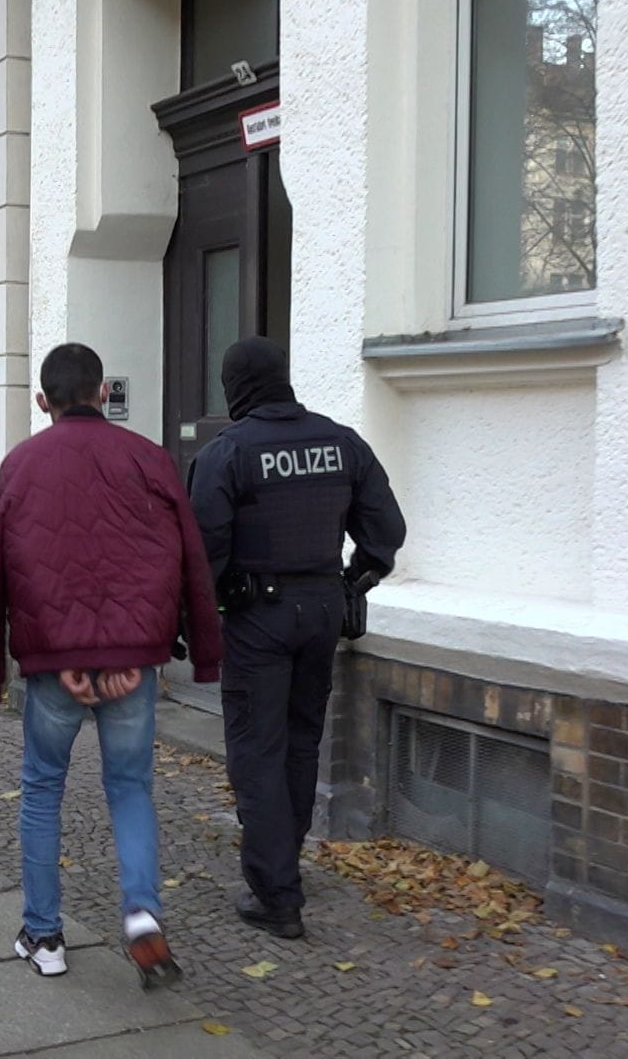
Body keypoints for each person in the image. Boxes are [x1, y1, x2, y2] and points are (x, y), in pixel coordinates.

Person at [0, 342, 223, 989]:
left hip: (54, 663)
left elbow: (2, 568)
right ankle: (141, 914)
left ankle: (44, 935)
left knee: (42, 788)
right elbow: (179, 557)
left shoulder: (21, 465)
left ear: (42, 400)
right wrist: (173, 647)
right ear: (102, 390)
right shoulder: (148, 458)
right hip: (131, 665)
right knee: (131, 787)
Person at [187, 335, 406, 940]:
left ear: (235, 387)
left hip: (257, 617)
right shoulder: (341, 443)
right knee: (302, 741)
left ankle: (277, 894)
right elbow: (387, 529)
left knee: (257, 750)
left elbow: (200, 554)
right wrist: (356, 578)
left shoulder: (227, 452)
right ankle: (287, 862)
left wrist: (189, 624)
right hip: (322, 610)